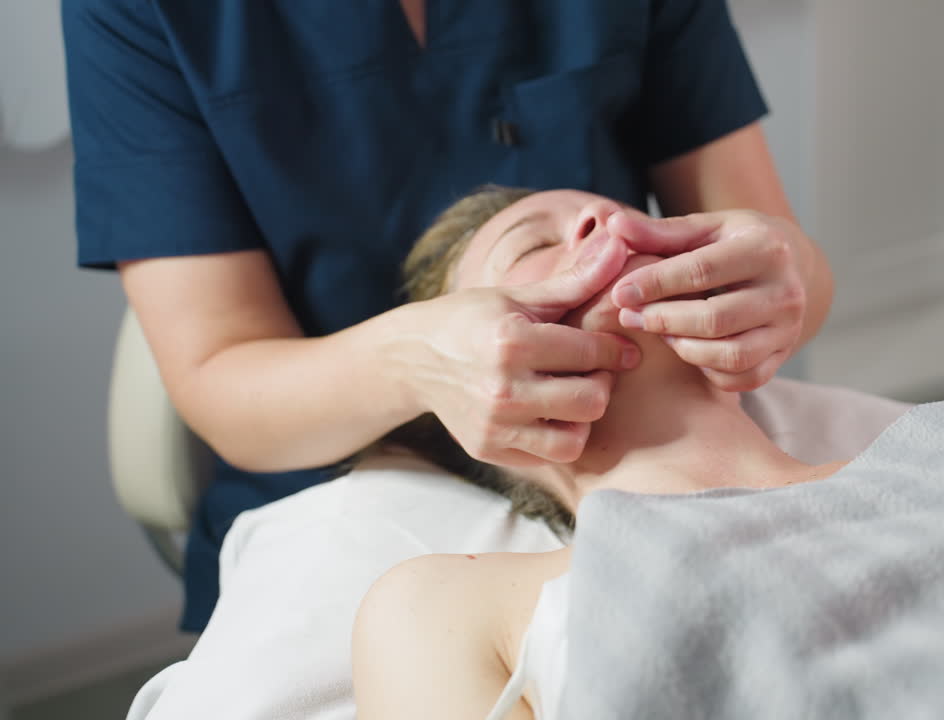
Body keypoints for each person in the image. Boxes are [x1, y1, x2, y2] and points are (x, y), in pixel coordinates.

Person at [62, 0, 834, 632]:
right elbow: (217, 368)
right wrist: (411, 363)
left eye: (607, 215)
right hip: (317, 476)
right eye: (536, 242)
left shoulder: (900, 466)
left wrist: (782, 275)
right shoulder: (451, 621)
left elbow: (785, 256)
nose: (607, 224)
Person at [352, 185, 852, 719]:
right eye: (532, 246)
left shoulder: (916, 453)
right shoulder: (442, 611)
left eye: (633, 216)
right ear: (476, 415)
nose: (604, 215)